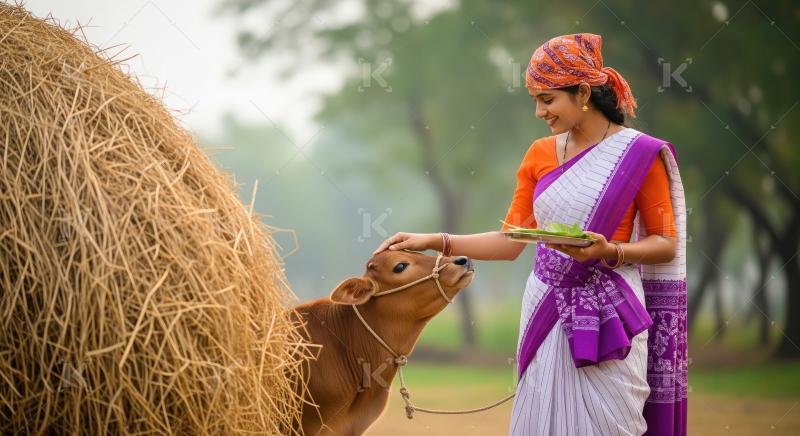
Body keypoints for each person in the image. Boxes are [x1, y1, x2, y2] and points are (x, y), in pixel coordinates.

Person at [373, 33, 688, 436]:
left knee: (612, 423)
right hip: (544, 304)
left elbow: (666, 244)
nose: (539, 112)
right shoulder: (539, 154)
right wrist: (435, 241)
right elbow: (511, 243)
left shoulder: (640, 154)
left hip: (610, 311)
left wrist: (610, 251)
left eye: (548, 99)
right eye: (535, 100)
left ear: (584, 92)